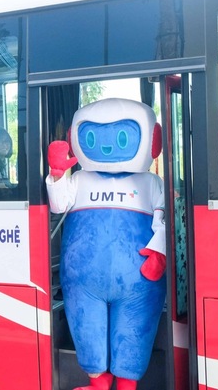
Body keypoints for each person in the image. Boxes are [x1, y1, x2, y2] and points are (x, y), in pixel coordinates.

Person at [46, 98, 166, 390]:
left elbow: (163, 222)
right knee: (88, 329)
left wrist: (159, 252)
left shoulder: (151, 183)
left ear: (153, 140)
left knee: (134, 330)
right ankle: (98, 383)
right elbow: (58, 205)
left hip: (138, 279)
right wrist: (57, 174)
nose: (110, 148)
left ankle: (126, 384)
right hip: (84, 282)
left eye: (122, 138)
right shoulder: (79, 179)